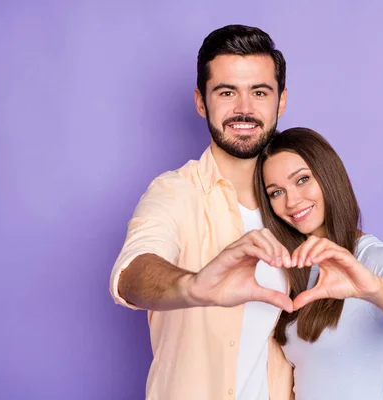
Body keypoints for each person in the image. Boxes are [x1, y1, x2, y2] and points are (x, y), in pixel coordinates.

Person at [109, 25, 297, 400]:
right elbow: (132, 272)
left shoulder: (300, 201)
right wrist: (192, 286)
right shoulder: (174, 192)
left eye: (259, 92)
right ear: (201, 101)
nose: (244, 109)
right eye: (227, 92)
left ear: (280, 101)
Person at [253, 127, 383, 400]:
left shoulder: (373, 258)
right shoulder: (293, 271)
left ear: (328, 175)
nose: (292, 201)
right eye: (276, 192)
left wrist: (374, 289)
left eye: (303, 179)